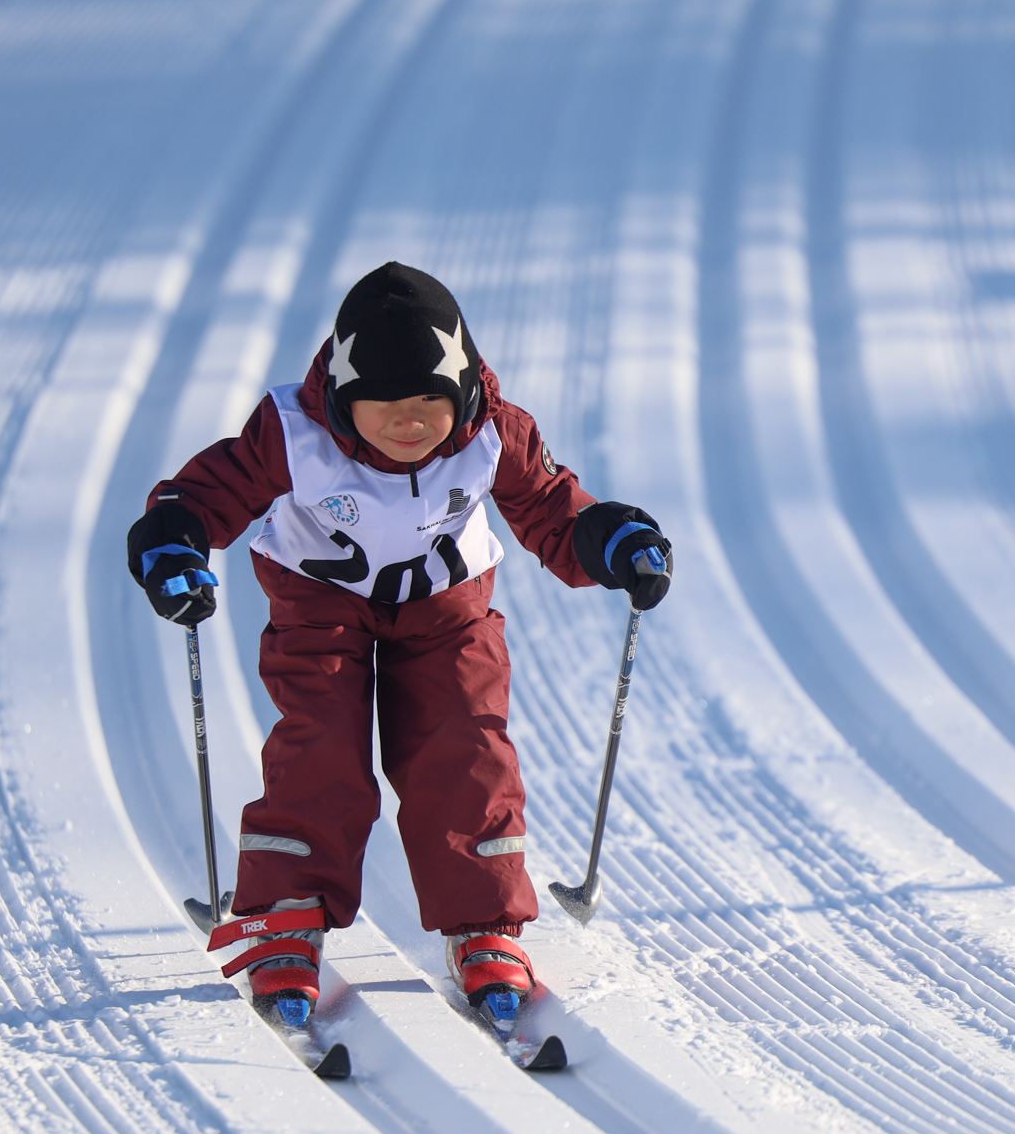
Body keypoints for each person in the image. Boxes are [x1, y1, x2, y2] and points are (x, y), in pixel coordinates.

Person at [126, 261, 672, 1027]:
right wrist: (175, 543)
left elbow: (554, 508)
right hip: (320, 608)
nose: (408, 422)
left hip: (447, 610)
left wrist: (612, 540)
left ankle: (485, 922)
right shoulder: (294, 433)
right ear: (345, 400)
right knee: (320, 749)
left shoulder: (493, 435)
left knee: (466, 745)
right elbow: (209, 491)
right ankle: (286, 913)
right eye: (383, 405)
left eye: (428, 403)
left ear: (462, 395)